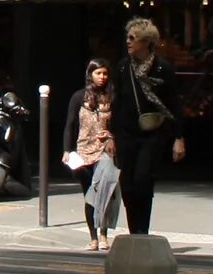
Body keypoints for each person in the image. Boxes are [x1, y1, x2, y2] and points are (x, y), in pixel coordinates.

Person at [107, 18, 184, 236]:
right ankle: (134, 231)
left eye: (133, 38)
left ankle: (143, 230)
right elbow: (116, 102)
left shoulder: (162, 69)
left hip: (152, 135)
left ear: (146, 42)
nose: (128, 42)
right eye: (127, 37)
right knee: (128, 185)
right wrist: (111, 135)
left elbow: (174, 105)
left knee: (143, 180)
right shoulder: (122, 67)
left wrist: (179, 138)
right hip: (126, 134)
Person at [63, 59, 118, 251]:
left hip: (104, 150)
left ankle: (103, 235)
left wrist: (111, 135)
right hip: (83, 150)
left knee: (104, 192)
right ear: (90, 74)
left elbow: (119, 124)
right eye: (98, 73)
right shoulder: (79, 97)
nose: (102, 77)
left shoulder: (112, 97)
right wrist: (67, 150)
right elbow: (70, 124)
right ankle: (93, 237)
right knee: (89, 195)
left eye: (105, 73)